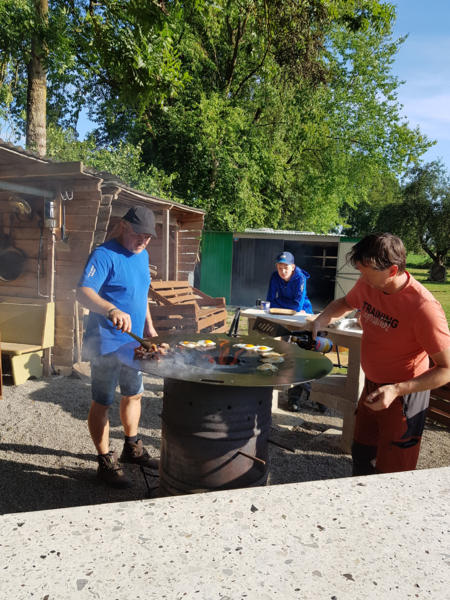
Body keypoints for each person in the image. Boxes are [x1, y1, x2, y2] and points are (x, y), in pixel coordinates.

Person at [308, 233, 450, 475]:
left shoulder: (423, 308)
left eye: (368, 274)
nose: (362, 279)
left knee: (392, 473)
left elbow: (446, 369)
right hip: (371, 388)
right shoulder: (368, 284)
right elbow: (345, 303)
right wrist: (319, 321)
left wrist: (397, 390)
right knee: (362, 454)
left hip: (403, 397)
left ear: (392, 270)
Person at [76, 206, 159, 489]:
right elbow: (83, 292)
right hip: (107, 343)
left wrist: (148, 325)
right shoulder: (104, 255)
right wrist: (110, 309)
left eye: (148, 236)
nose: (143, 240)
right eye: (139, 234)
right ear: (124, 226)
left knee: (134, 395)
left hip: (134, 344)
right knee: (103, 402)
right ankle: (105, 461)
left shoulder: (142, 255)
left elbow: (141, 293)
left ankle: (131, 448)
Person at [266, 252, 320, 411]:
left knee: (299, 358)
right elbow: (269, 302)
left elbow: (297, 306)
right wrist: (280, 304)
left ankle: (316, 396)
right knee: (288, 355)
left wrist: (278, 302)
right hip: (284, 319)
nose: (283, 271)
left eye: (286, 268)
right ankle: (294, 398)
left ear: (293, 267)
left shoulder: (300, 277)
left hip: (303, 320)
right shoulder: (274, 276)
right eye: (280, 268)